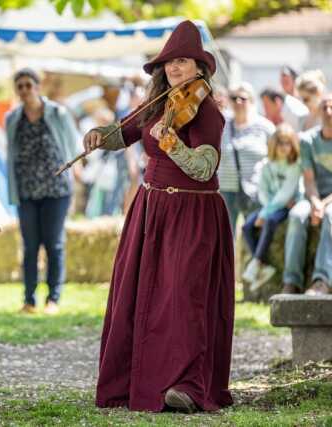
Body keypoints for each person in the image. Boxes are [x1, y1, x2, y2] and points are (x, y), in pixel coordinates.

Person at [84, 20, 234, 413]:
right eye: (170, 62)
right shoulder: (159, 103)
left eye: (183, 61)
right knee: (141, 293)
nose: (175, 69)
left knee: (184, 297)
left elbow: (203, 168)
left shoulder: (207, 112)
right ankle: (132, 381)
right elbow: (127, 132)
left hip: (193, 213)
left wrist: (172, 146)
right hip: (152, 210)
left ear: (200, 68)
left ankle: (185, 385)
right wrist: (100, 135)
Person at [4, 68, 79, 314]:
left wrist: (76, 174)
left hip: (56, 190)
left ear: (37, 86)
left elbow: (73, 145)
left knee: (54, 244)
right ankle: (29, 299)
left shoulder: (58, 113)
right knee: (30, 246)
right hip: (26, 191)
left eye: (28, 85)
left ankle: (53, 298)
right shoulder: (13, 118)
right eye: (20, 86)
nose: (25, 90)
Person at [282, 94, 332, 296]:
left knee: (330, 217)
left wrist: (323, 205)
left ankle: (322, 280)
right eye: (324, 107)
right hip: (313, 196)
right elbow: (309, 180)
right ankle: (291, 281)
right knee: (296, 216)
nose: (328, 112)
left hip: (330, 201)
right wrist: (314, 202)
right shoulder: (307, 140)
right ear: (318, 111)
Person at [241, 124, 300, 292]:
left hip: (285, 205)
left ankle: (256, 262)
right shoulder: (267, 164)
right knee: (247, 226)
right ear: (274, 144)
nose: (283, 147)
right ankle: (263, 265)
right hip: (268, 206)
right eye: (280, 143)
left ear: (293, 145)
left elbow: (285, 194)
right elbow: (262, 191)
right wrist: (265, 209)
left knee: (270, 222)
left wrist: (266, 213)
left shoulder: (294, 166)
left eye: (287, 143)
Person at [217, 83, 275, 234]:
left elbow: (276, 158)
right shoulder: (221, 124)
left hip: (255, 190)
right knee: (226, 238)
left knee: (254, 236)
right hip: (225, 189)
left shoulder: (265, 127)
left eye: (242, 98)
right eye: (233, 98)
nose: (238, 102)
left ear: (252, 100)